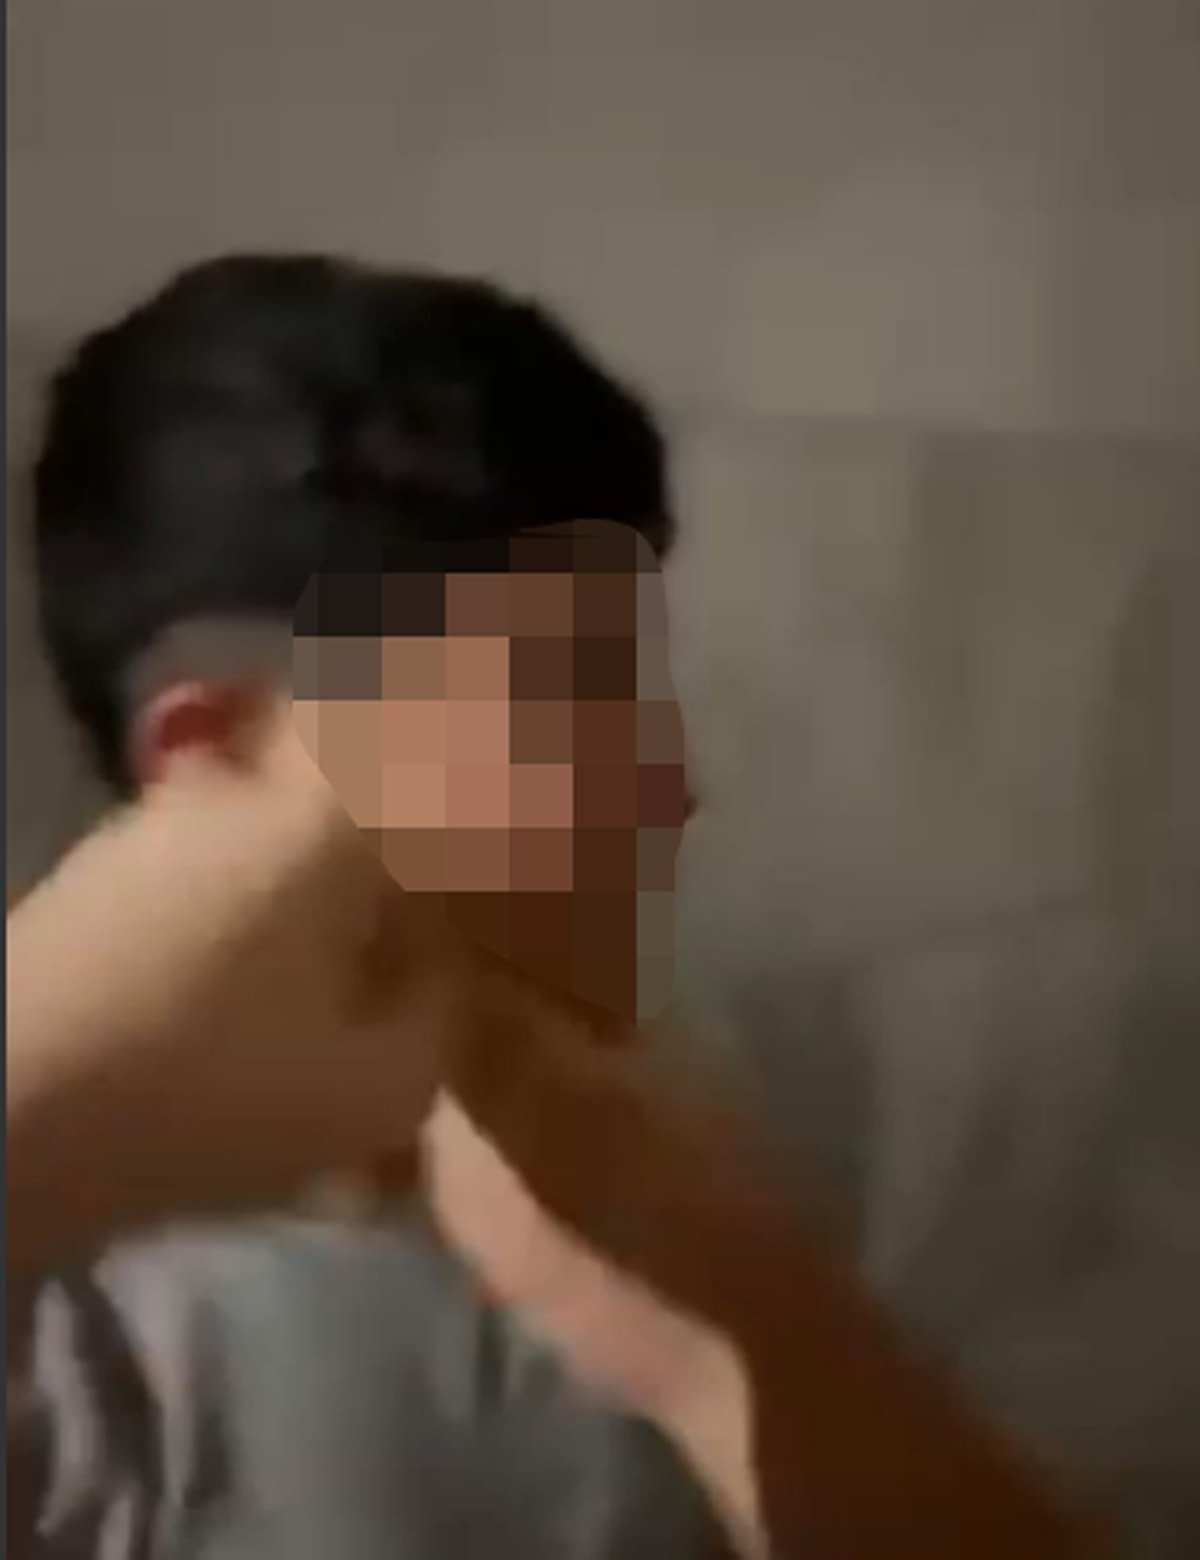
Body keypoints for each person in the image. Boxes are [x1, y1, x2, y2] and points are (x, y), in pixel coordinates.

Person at [9, 256, 1103, 1559]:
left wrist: (755, 1323)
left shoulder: (663, 1182)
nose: (665, 785)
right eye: (552, 710)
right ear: (208, 759)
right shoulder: (79, 1350)